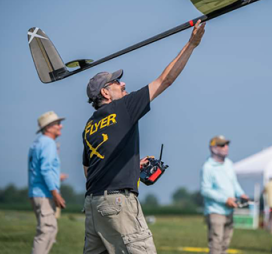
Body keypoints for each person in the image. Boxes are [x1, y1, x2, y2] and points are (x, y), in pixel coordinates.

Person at [82, 20, 206, 254]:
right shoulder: (124, 107)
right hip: (118, 204)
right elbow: (164, 80)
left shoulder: (90, 125)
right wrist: (192, 44)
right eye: (117, 82)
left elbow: (90, 170)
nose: (124, 83)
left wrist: (129, 167)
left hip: (93, 204)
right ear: (106, 93)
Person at [200, 135, 249, 254]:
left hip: (229, 211)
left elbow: (234, 182)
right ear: (213, 148)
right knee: (216, 245)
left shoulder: (229, 163)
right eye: (222, 145)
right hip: (215, 211)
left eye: (227, 144)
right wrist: (225, 199)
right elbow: (205, 190)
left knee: (225, 245)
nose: (226, 147)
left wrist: (241, 194)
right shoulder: (207, 167)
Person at [28, 111, 66, 254]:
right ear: (48, 127)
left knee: (50, 230)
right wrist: (55, 194)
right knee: (46, 232)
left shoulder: (37, 143)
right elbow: (45, 171)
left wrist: (57, 177)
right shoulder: (49, 143)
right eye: (58, 124)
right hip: (44, 194)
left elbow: (39, 169)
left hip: (37, 192)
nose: (60, 127)